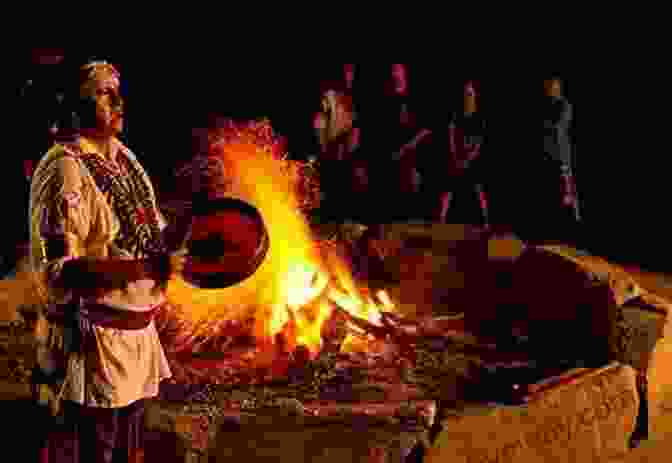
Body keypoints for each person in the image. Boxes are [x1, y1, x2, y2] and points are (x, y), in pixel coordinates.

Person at [29, 58, 185, 463]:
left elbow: (149, 235)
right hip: (91, 353)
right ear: (73, 103)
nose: (118, 102)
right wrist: (144, 270)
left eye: (118, 91)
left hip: (135, 343)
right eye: (103, 93)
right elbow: (61, 272)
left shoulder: (125, 157)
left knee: (129, 456)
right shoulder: (64, 168)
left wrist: (197, 241)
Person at [420, 81, 490, 227]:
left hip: (472, 161)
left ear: (475, 96)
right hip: (456, 158)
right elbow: (450, 137)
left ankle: (486, 222)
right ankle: (440, 221)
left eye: (470, 94)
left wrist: (469, 158)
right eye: (465, 94)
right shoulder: (456, 116)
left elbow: (479, 142)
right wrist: (456, 157)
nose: (468, 97)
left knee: (479, 189)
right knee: (447, 190)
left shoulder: (479, 118)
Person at [543, 76, 580, 225]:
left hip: (563, 156)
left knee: (568, 190)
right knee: (556, 193)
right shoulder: (547, 106)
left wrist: (546, 127)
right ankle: (559, 222)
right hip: (551, 155)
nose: (552, 89)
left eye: (555, 86)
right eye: (550, 87)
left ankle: (575, 221)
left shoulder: (564, 105)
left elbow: (559, 126)